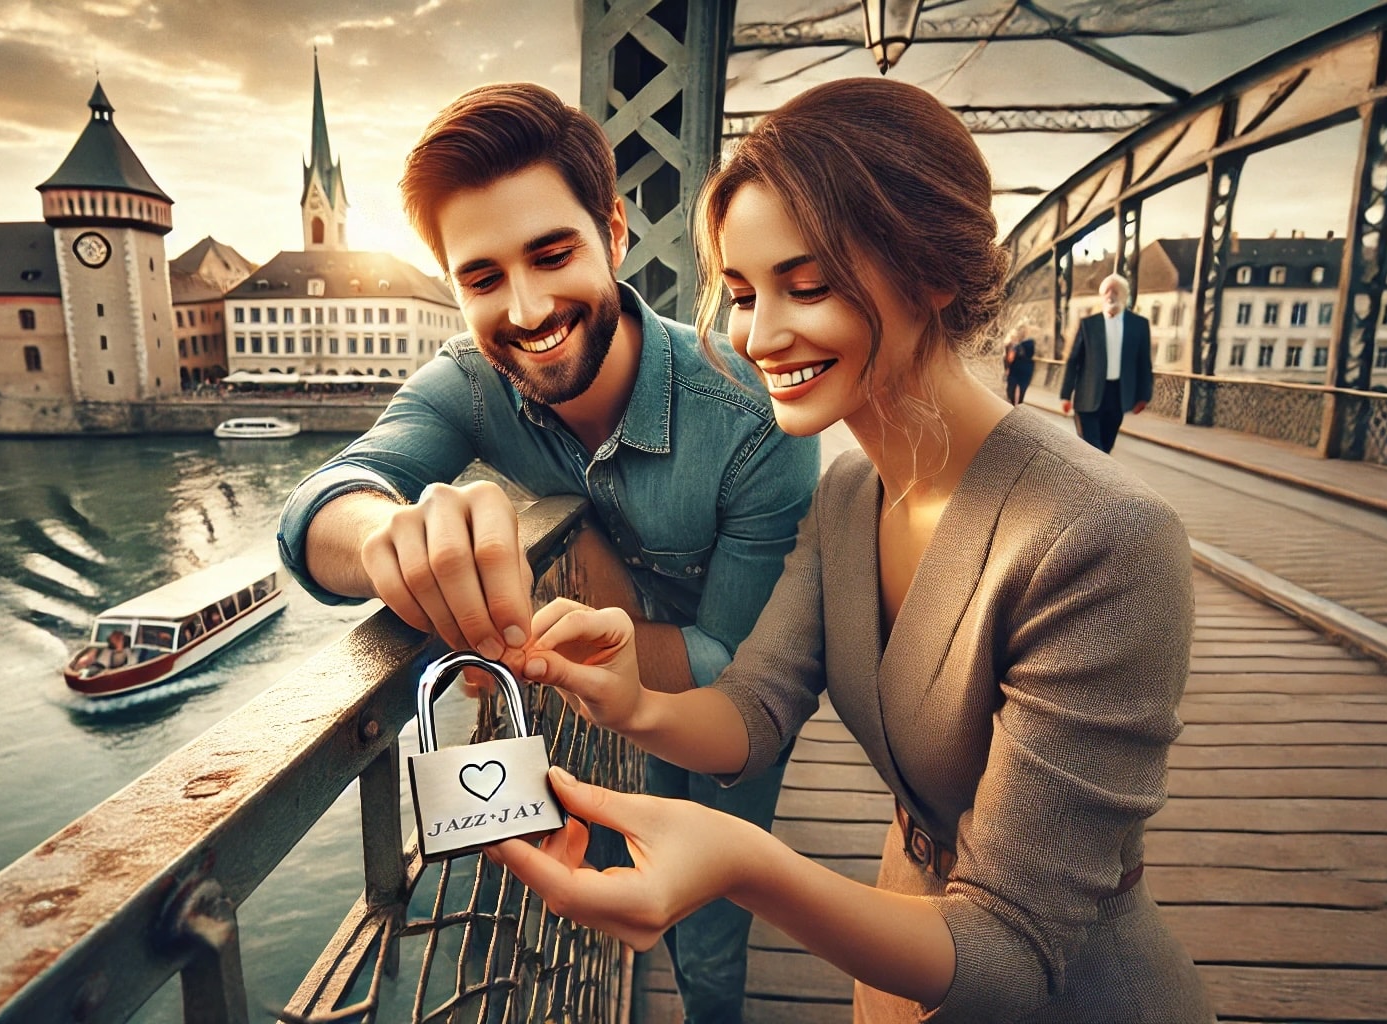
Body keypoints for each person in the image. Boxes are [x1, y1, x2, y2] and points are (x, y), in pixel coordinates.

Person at [490, 77, 1214, 1023]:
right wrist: (630, 697)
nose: (759, 335)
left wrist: (744, 866)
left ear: (932, 276)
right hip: (893, 955)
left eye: (809, 285)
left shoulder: (1105, 539)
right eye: (743, 293)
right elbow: (754, 711)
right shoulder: (846, 493)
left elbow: (1010, 954)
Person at [274, 82, 820, 1023]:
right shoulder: (466, 384)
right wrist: (387, 537)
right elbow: (318, 506)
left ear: (612, 235)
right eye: (482, 278)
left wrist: (554, 646)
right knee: (609, 883)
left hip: (729, 700)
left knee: (715, 915)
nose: (525, 309)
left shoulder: (752, 413)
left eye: (552, 254)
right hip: (598, 696)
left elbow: (731, 670)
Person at [1060, 274, 1152, 452]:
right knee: (1093, 449)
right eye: (1106, 291)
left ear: (1124, 295)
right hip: (1087, 397)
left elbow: (1144, 363)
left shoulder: (1139, 325)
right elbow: (1074, 361)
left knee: (1106, 449)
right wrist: (1065, 395)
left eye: (1115, 291)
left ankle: (1093, 478)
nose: (1111, 295)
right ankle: (1090, 479)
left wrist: (1143, 396)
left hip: (1117, 397)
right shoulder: (1088, 325)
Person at [1003, 322, 1036, 406]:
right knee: (1022, 391)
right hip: (1027, 369)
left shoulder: (1015, 345)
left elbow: (1010, 358)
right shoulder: (1031, 343)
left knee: (1011, 390)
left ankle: (1012, 405)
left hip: (1016, 369)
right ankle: (1018, 405)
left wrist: (1007, 368)